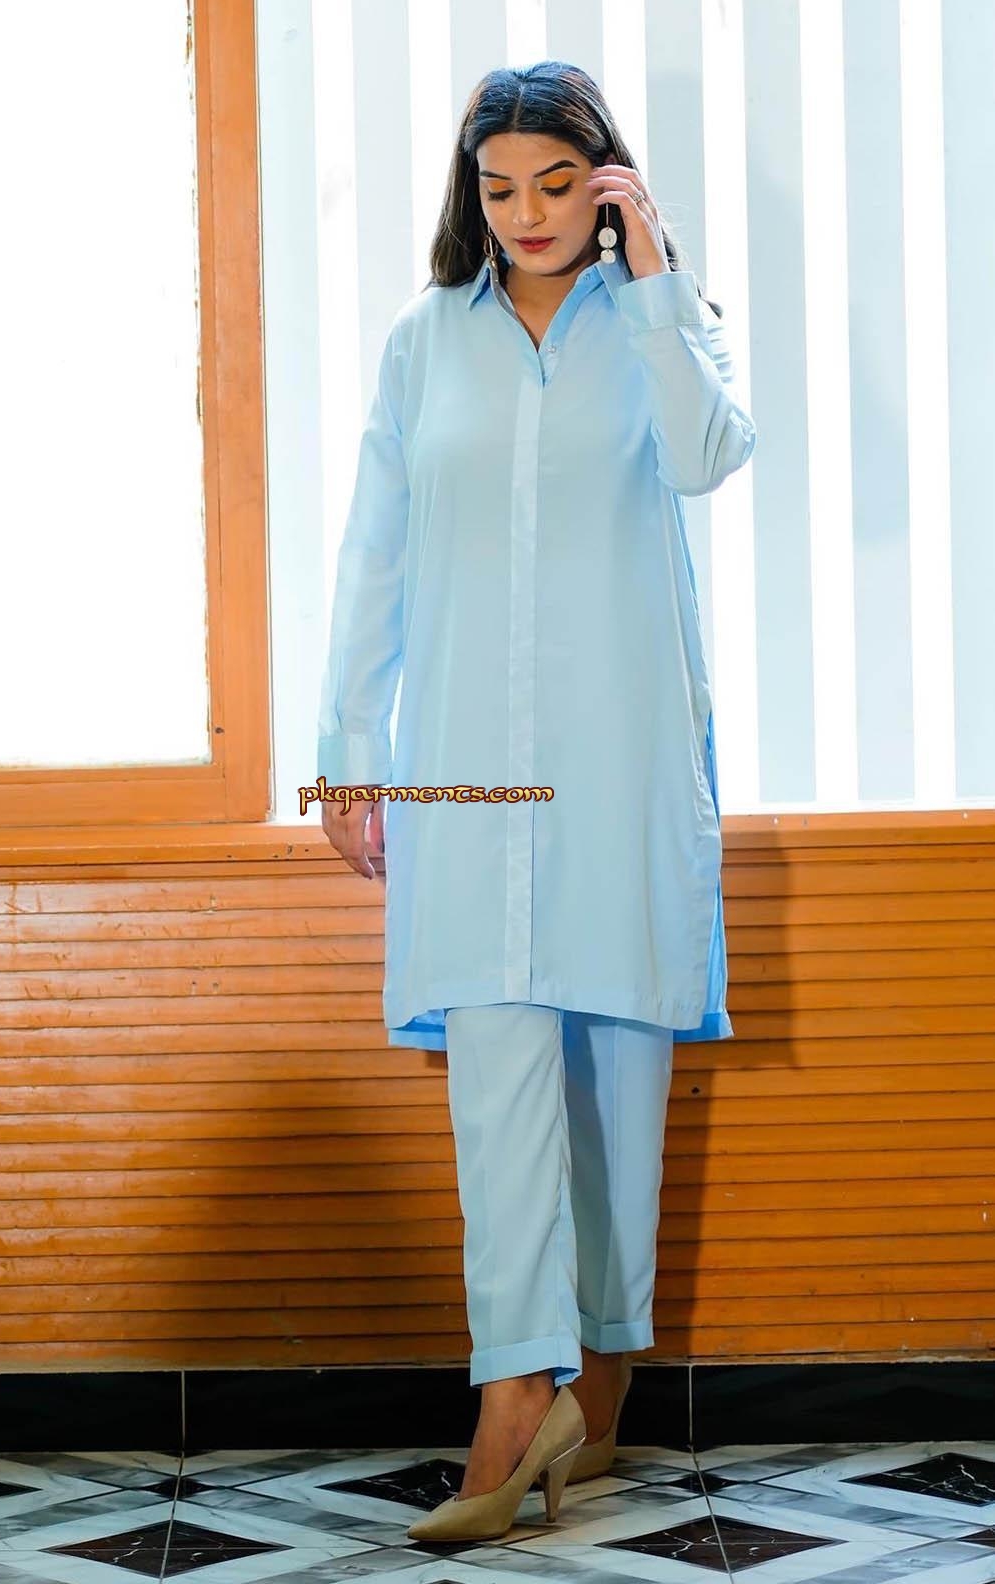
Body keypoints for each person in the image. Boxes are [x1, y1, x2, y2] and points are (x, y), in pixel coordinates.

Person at [317, 60, 756, 1543]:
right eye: (499, 188)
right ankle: (515, 1389)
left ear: (608, 183)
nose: (527, 214)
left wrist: (657, 274)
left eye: (559, 184)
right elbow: (373, 550)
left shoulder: (658, 326)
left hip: (619, 762)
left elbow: (708, 458)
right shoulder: (424, 342)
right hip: (463, 766)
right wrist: (349, 749)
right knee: (498, 1071)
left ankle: (602, 1377)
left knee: (617, 1082)